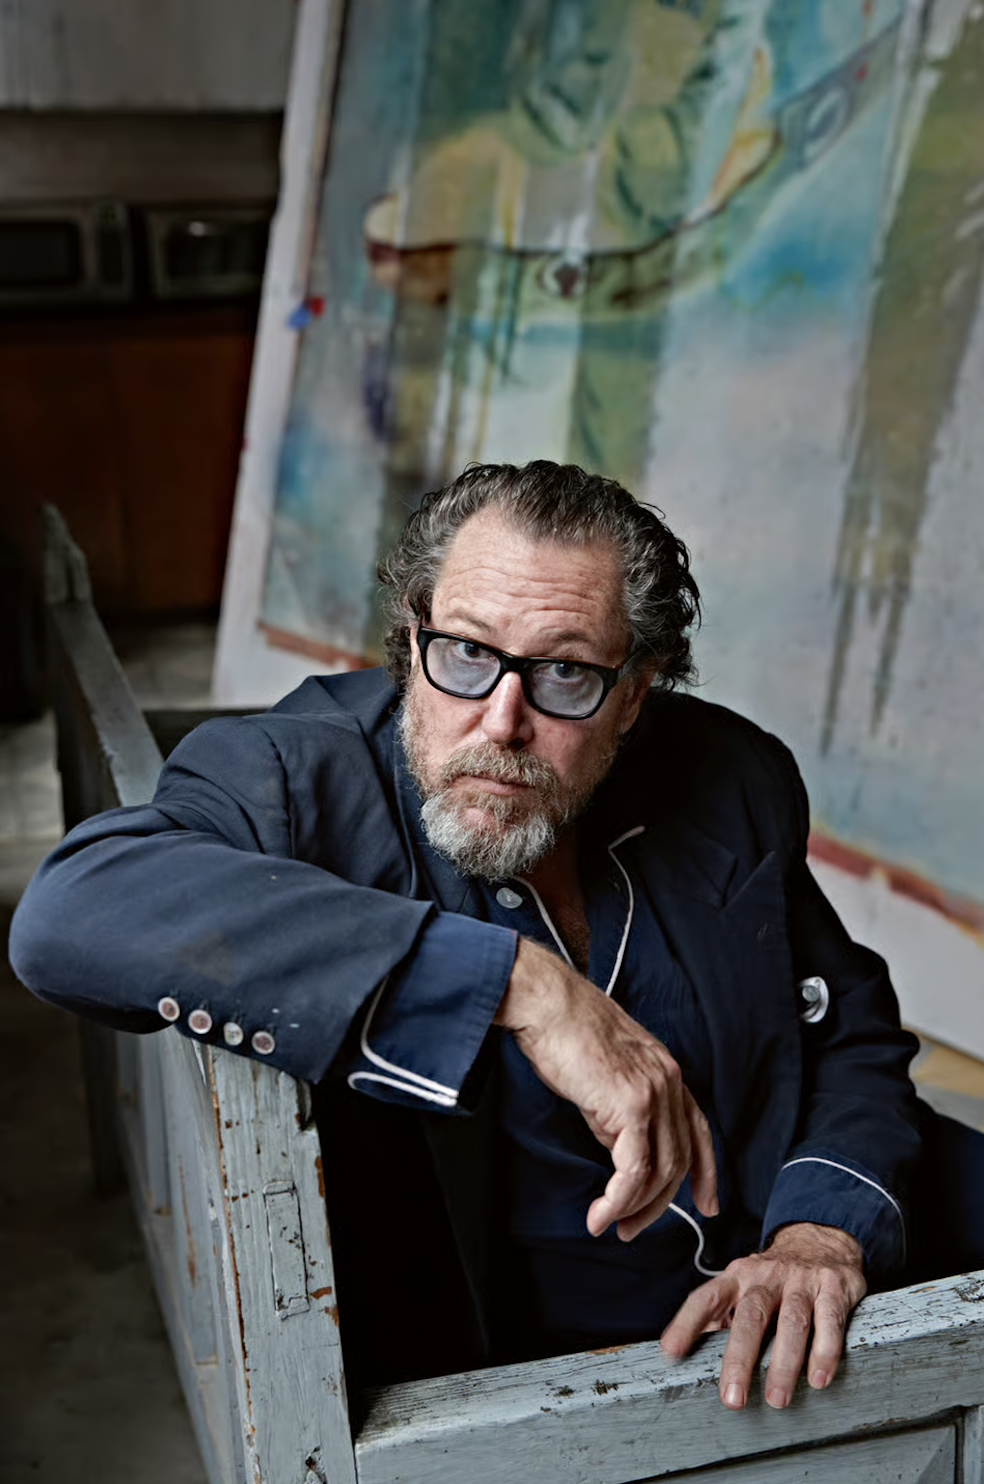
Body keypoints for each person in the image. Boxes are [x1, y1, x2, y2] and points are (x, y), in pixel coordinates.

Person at [11, 460, 931, 1408]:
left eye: (566, 672)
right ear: (413, 636)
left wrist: (822, 1231)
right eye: (463, 653)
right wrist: (520, 987)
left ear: (635, 694)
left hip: (801, 1239)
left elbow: (850, 1032)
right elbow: (74, 911)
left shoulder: (732, 775)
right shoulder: (299, 777)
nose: (501, 721)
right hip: (549, 1379)